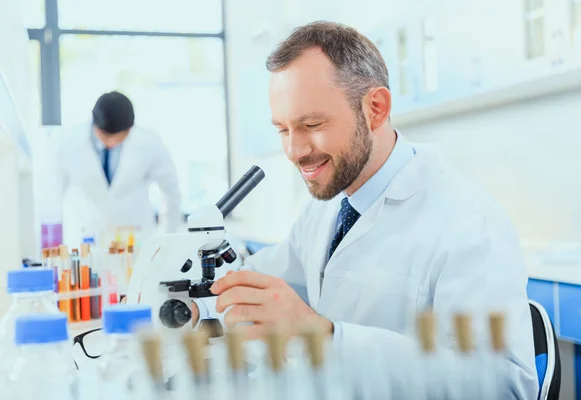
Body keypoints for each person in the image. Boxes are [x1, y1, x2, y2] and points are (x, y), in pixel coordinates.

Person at [194, 22, 537, 397]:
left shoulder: (468, 223)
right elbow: (274, 281)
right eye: (283, 129)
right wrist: (197, 302)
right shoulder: (329, 203)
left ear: (376, 108)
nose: (294, 150)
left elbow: (504, 386)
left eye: (311, 124)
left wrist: (326, 338)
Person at [41, 91, 182, 246]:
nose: (112, 142)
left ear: (130, 128)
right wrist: (52, 248)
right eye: (106, 136)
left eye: (120, 137)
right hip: (86, 238)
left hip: (135, 238)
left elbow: (171, 190)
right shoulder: (65, 142)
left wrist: (168, 238)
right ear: (95, 124)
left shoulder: (150, 142)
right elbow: (52, 196)